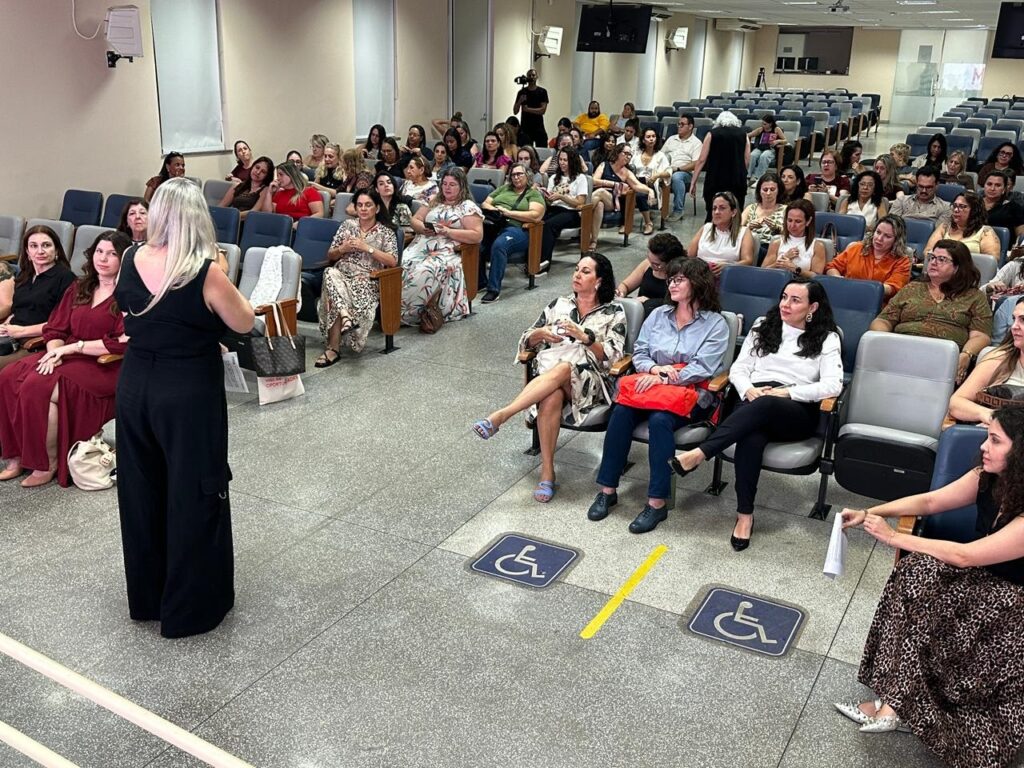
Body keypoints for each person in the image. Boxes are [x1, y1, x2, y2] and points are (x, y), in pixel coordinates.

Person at [836, 408, 1024, 767]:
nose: (983, 447)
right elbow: (931, 501)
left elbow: (966, 556)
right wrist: (871, 512)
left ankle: (903, 705)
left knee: (928, 584)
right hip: (981, 579)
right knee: (915, 574)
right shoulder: (989, 476)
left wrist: (895, 538)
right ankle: (895, 699)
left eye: (995, 440)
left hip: (1013, 602)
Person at [114, 177, 255, 639]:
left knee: (142, 488)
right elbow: (244, 322)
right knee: (195, 488)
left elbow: (129, 314)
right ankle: (190, 608)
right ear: (198, 218)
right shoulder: (205, 271)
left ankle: (149, 597)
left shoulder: (131, 257)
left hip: (135, 384)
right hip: (187, 388)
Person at [671, 278, 843, 549]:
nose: (785, 304)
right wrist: (749, 390)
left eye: (795, 300)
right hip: (753, 399)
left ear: (813, 307)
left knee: (765, 405)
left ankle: (701, 452)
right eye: (784, 297)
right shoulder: (764, 325)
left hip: (795, 409)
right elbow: (739, 369)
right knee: (751, 436)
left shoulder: (827, 337)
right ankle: (744, 515)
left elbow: (833, 385)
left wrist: (786, 393)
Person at [472, 254, 626, 503]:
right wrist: (541, 334)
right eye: (576, 269)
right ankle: (547, 473)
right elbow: (526, 338)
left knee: (564, 368)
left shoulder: (613, 312)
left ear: (599, 280)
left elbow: (613, 357)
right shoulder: (559, 304)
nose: (577, 275)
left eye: (585, 271)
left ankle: (502, 415)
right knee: (551, 396)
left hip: (592, 381)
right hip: (552, 377)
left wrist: (585, 337)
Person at [591, 258, 730, 533]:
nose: (672, 285)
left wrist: (663, 377)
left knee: (660, 420)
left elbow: (703, 367)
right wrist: (654, 369)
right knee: (622, 412)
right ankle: (607, 490)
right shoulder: (658, 315)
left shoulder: (716, 324)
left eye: (679, 279)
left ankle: (657, 502)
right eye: (671, 280)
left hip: (692, 393)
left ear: (697, 283)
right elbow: (640, 352)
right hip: (651, 387)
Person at [0, 231, 129, 488]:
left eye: (112, 254)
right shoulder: (80, 287)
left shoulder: (128, 294)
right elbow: (56, 328)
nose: (103, 259)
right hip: (67, 354)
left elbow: (121, 343)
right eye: (99, 251)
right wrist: (54, 353)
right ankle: (16, 456)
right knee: (8, 376)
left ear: (124, 259)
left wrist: (70, 349)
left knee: (38, 385)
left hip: (104, 363)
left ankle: (47, 463)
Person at [870, 240, 992, 384]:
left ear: (957, 267)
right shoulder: (912, 288)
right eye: (932, 257)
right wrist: (885, 341)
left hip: (944, 359)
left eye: (942, 259)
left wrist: (966, 354)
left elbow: (980, 336)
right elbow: (883, 320)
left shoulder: (975, 296)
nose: (933, 262)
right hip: (902, 352)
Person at [314, 189, 399, 366]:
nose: (363, 209)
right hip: (341, 275)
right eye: (359, 205)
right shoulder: (347, 225)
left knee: (334, 295)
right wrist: (342, 249)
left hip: (366, 279)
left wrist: (366, 248)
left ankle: (333, 349)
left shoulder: (386, 232)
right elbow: (331, 254)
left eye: (368, 205)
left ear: (377, 208)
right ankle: (346, 317)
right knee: (329, 272)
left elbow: (392, 261)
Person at [400, 168, 480, 326]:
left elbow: (477, 235)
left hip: (448, 249)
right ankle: (388, 309)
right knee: (402, 265)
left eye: (452, 184)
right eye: (444, 184)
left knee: (423, 271)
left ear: (461, 186)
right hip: (422, 244)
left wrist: (449, 231)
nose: (447, 188)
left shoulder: (467, 207)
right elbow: (415, 220)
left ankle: (405, 314)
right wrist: (423, 228)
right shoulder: (434, 200)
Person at [0, 226, 76, 372]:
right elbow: (18, 310)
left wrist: (21, 331)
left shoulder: (66, 278)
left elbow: (62, 324)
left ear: (57, 250)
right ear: (27, 252)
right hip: (11, 336)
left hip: (36, 343)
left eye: (46, 245)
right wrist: (5, 325)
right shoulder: (25, 275)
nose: (40, 251)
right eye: (34, 246)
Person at [948, 297, 1024, 425]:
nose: (1014, 326)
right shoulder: (999, 358)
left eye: (1023, 320)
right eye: (1013, 319)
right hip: (991, 432)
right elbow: (956, 403)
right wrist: (992, 417)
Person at [481, 162, 546, 302]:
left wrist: (508, 213)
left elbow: (535, 215)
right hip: (496, 225)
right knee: (477, 242)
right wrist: (496, 211)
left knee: (500, 245)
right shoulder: (504, 189)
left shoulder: (533, 194)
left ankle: (493, 290)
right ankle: (481, 282)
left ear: (527, 176)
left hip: (518, 229)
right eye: (513, 175)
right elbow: (485, 203)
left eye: (519, 174)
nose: (516, 177)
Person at [825, 215, 912, 303]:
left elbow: (893, 288)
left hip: (876, 305)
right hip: (845, 298)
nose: (879, 238)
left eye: (887, 236)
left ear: (897, 241)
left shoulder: (902, 261)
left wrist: (859, 288)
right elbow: (832, 267)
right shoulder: (856, 248)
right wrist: (838, 279)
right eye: (878, 232)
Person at [690, 111, 750, 222]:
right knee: (736, 213)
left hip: (715, 180)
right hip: (737, 180)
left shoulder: (712, 134)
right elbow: (746, 159)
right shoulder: (744, 134)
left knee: (713, 213)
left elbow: (702, 160)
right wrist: (742, 174)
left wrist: (693, 181)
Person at [593, 144, 655, 241]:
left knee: (601, 192)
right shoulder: (604, 165)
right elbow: (594, 181)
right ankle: (593, 241)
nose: (628, 157)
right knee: (599, 204)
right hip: (598, 198)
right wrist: (613, 184)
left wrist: (650, 190)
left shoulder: (627, 172)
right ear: (617, 153)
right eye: (626, 153)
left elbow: (637, 185)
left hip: (614, 201)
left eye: (630, 155)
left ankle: (582, 212)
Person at [614, 232, 685, 317]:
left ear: (670, 262)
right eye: (649, 259)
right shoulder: (647, 264)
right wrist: (621, 292)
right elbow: (626, 285)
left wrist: (651, 302)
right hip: (640, 313)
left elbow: (680, 305)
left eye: (656, 264)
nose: (651, 265)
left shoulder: (682, 275)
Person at [686, 191, 755, 276]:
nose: (716, 212)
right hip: (701, 275)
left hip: (727, 276)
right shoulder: (706, 228)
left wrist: (729, 267)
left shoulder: (744, 232)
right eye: (714, 208)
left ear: (733, 212)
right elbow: (689, 256)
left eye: (722, 208)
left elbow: (748, 261)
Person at [540, 147, 589, 262]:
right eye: (560, 160)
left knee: (549, 225)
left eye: (565, 160)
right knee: (537, 223)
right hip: (554, 208)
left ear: (572, 161)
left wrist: (562, 197)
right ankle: (531, 259)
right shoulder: (554, 178)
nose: (562, 163)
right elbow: (550, 202)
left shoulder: (580, 178)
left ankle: (544, 262)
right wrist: (546, 196)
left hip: (571, 212)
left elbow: (580, 202)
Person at [761, 199, 827, 277]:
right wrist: (783, 259)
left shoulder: (817, 246)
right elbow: (763, 272)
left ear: (808, 221)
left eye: (798, 221)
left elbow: (817, 277)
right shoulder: (776, 243)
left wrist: (795, 269)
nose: (792, 225)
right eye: (789, 220)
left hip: (803, 283)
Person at [924, 192, 1000, 258]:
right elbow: (928, 251)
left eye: (962, 206)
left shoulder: (985, 232)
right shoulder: (945, 227)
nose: (956, 210)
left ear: (974, 210)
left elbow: (991, 261)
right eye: (955, 206)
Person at [254, 162, 324, 225]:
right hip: (280, 227)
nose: (278, 178)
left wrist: (300, 224)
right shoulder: (279, 194)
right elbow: (267, 214)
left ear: (291, 175)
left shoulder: (309, 191)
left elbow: (319, 213)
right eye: (277, 175)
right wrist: (269, 193)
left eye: (281, 175)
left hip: (301, 228)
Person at [663, 115, 704, 222]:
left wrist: (678, 169)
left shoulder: (696, 143)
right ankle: (652, 208)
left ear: (690, 127)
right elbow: (661, 155)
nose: (679, 126)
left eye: (682, 124)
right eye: (678, 124)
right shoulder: (671, 139)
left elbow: (695, 163)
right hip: (668, 169)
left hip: (686, 173)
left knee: (677, 177)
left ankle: (678, 210)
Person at [634, 128, 671, 224]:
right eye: (648, 137)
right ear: (643, 140)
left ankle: (648, 220)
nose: (651, 139)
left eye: (653, 136)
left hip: (651, 184)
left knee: (642, 194)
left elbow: (669, 172)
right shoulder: (636, 154)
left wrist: (657, 175)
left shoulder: (660, 155)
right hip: (636, 183)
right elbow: (629, 168)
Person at [741, 172, 785, 244]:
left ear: (778, 191)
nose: (768, 193)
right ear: (759, 191)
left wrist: (778, 229)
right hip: (750, 245)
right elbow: (737, 229)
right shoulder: (750, 208)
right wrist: (748, 227)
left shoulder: (786, 209)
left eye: (772, 189)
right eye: (765, 189)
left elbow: (794, 232)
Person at [981, 170, 1024, 239]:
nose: (992, 188)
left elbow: (1021, 236)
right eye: (989, 184)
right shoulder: (973, 204)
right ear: (984, 186)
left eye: (998, 185)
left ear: (1004, 189)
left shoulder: (1014, 208)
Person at [512, 69, 548, 146]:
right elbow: (515, 111)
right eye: (529, 75)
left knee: (542, 149)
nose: (531, 77)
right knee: (525, 149)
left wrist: (527, 109)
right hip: (525, 127)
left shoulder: (542, 92)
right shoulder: (522, 92)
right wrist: (520, 101)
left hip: (538, 126)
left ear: (537, 77)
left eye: (533, 75)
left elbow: (542, 110)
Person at [746, 114, 786, 181]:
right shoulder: (760, 129)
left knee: (764, 156)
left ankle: (758, 177)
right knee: (752, 155)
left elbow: (785, 140)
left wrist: (777, 141)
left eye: (765, 124)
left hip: (770, 149)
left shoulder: (776, 129)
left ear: (770, 124)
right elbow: (749, 135)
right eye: (762, 123)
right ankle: (748, 174)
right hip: (760, 148)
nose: (763, 125)